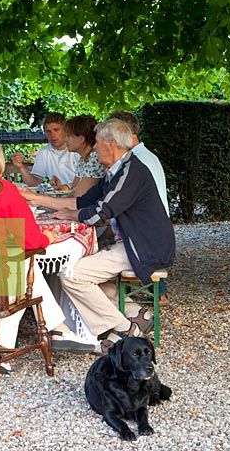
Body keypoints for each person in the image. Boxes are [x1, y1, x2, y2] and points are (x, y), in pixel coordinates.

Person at [0, 140, 95, 364]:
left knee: (20, 268)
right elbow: (31, 239)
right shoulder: (4, 190)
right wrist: (47, 238)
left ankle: (54, 330)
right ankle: (53, 330)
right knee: (24, 265)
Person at [53, 119, 175, 352]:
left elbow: (100, 212)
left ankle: (122, 328)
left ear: (110, 144)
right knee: (81, 270)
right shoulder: (118, 170)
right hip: (134, 243)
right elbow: (87, 200)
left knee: (71, 274)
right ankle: (135, 312)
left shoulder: (131, 171)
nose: (95, 147)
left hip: (143, 247)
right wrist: (43, 202)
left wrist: (69, 215)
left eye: (97, 142)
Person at [21, 115, 105, 205]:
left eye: (68, 135)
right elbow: (73, 193)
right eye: (48, 131)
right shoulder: (83, 159)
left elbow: (78, 200)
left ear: (81, 139)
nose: (66, 139)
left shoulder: (94, 159)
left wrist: (38, 199)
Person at [107, 110, 169, 216]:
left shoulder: (136, 161)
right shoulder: (146, 156)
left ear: (120, 133)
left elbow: (114, 207)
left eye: (109, 134)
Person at [10, 113, 79, 188]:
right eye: (48, 131)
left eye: (56, 130)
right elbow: (33, 183)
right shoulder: (44, 152)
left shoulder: (77, 149)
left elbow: (88, 182)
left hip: (79, 196)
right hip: (56, 197)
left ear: (65, 130)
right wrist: (21, 167)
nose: (52, 135)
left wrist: (66, 187)